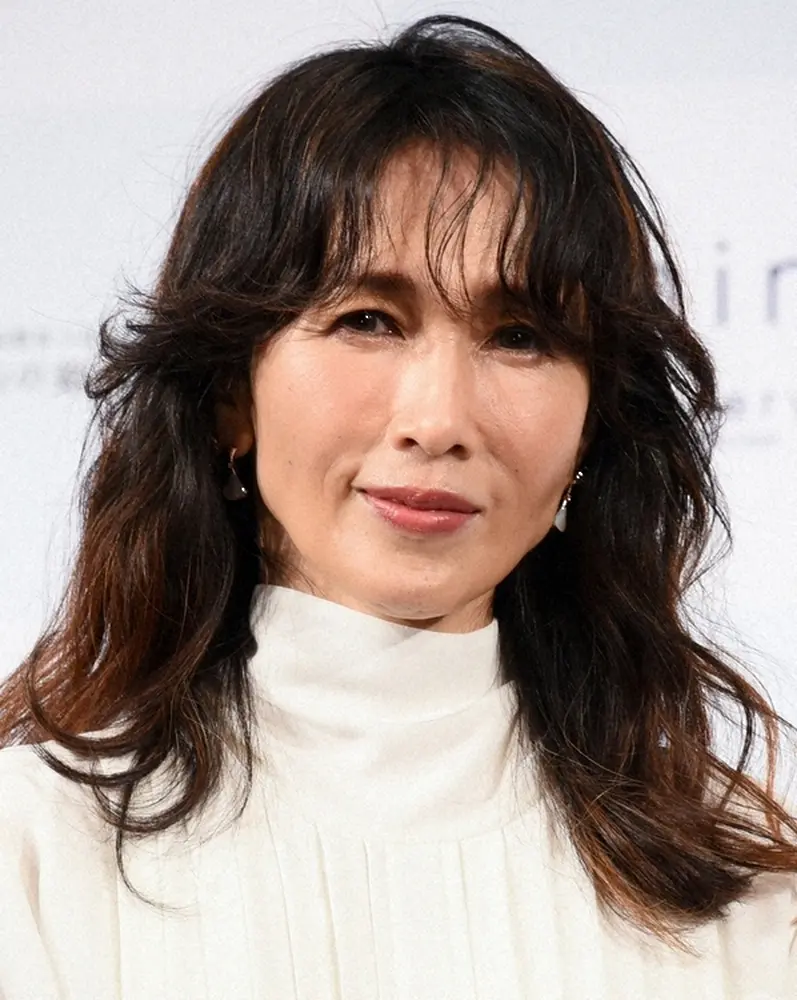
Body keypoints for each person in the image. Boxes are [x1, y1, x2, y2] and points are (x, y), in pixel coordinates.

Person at [0, 13, 795, 999]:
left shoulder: (736, 892)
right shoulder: (34, 859)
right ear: (229, 393)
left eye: (518, 337)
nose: (438, 419)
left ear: (593, 427)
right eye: (367, 320)